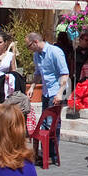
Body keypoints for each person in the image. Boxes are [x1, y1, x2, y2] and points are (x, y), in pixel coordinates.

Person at [27, 32, 68, 166]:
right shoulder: (36, 55)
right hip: (45, 92)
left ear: (35, 42)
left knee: (52, 124)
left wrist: (60, 93)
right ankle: (45, 153)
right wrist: (32, 87)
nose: (29, 49)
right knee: (44, 123)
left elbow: (64, 73)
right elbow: (38, 73)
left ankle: (52, 154)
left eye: (29, 46)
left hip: (55, 91)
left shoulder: (55, 52)